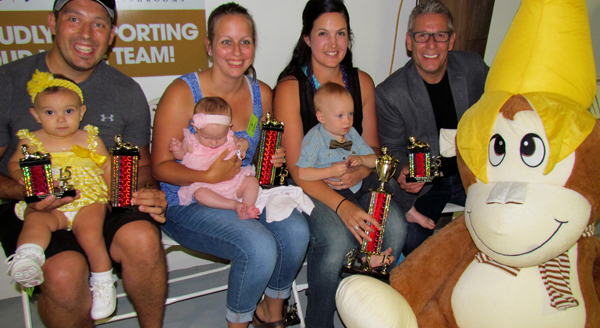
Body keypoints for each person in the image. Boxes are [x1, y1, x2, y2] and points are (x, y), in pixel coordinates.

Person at [0, 0, 168, 326]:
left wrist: (147, 189)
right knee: (64, 273)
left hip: (103, 195)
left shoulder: (126, 90)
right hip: (32, 203)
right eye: (74, 19)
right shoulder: (8, 82)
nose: (87, 34)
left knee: (143, 240)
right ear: (52, 22)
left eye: (99, 24)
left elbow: (141, 165)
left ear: (112, 35)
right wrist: (25, 191)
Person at [151, 3, 310, 328]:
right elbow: (160, 168)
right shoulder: (183, 93)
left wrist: (272, 156)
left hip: (239, 192)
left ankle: (271, 313)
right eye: (226, 41)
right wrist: (205, 175)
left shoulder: (261, 95)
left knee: (296, 232)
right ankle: (237, 323)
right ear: (209, 46)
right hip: (187, 200)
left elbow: (258, 154)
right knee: (259, 246)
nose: (237, 52)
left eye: (245, 41)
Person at [273, 1, 407, 327]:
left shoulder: (361, 82)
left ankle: (369, 312)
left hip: (356, 176)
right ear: (307, 38)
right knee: (337, 240)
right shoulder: (291, 88)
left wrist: (360, 168)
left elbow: (373, 146)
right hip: (310, 183)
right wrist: (342, 208)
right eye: (323, 33)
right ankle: (320, 320)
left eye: (341, 33)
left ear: (349, 37)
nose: (333, 44)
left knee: (396, 227)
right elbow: (295, 169)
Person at [376, 0, 489, 255]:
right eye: (422, 36)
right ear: (409, 41)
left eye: (439, 35)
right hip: (427, 187)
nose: (430, 45)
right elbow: (392, 147)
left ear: (451, 40)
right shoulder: (390, 93)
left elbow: (500, 103)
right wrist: (404, 169)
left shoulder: (473, 68)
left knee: (505, 218)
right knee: (412, 241)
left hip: (471, 174)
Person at [6, 71, 117, 320]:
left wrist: (112, 193)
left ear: (81, 111)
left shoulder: (90, 138)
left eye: (68, 111)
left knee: (90, 234)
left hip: (87, 199)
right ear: (35, 115)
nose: (61, 120)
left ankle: (102, 280)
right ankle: (28, 257)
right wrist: (32, 182)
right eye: (49, 113)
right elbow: (14, 165)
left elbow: (107, 166)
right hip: (50, 202)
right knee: (36, 219)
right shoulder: (32, 142)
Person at [296, 81, 394, 268]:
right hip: (336, 187)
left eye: (350, 114)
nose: (347, 121)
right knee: (357, 213)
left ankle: (408, 209)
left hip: (357, 180)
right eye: (340, 115)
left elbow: (374, 160)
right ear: (321, 117)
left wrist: (361, 159)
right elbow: (303, 172)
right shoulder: (315, 138)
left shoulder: (351, 133)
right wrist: (330, 171)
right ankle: (367, 254)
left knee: (384, 178)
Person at [169, 96, 260, 219]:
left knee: (252, 182)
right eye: (207, 138)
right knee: (200, 194)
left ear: (229, 127)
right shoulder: (191, 141)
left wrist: (242, 147)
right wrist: (177, 149)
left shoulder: (229, 136)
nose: (214, 143)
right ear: (195, 128)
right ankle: (234, 205)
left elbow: (240, 144)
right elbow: (181, 157)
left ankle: (247, 208)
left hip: (232, 181)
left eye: (219, 138)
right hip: (206, 185)